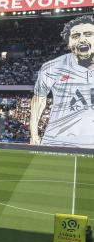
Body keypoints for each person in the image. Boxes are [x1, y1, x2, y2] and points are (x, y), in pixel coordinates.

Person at [31, 15, 94, 146]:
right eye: (76, 36)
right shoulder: (52, 67)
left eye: (88, 34)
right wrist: (34, 135)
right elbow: (38, 100)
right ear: (69, 42)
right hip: (57, 142)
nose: (82, 39)